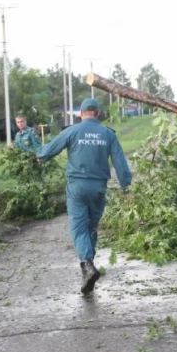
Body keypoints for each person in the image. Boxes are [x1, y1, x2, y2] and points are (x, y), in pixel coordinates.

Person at [37, 98, 132, 295]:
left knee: (78, 227)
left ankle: (87, 265)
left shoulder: (72, 131)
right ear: (97, 113)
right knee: (91, 227)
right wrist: (126, 187)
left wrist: (39, 156)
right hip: (98, 189)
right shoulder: (108, 134)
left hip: (77, 188)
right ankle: (88, 267)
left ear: (81, 114)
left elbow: (51, 148)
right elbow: (120, 163)